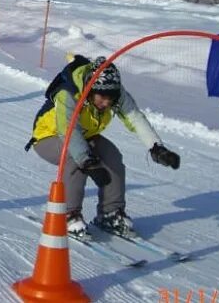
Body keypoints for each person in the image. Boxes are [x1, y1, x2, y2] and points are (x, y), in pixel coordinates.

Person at [25, 55, 180, 238]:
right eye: (102, 97)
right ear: (91, 90)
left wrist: (156, 147)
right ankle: (68, 214)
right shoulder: (69, 93)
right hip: (48, 136)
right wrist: (86, 160)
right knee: (75, 158)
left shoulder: (115, 92)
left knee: (112, 156)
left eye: (111, 99)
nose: (106, 103)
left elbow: (135, 118)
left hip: (84, 135)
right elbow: (68, 131)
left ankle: (110, 213)